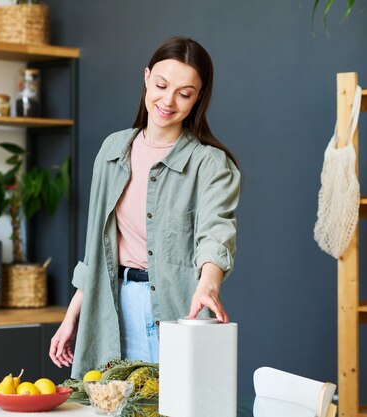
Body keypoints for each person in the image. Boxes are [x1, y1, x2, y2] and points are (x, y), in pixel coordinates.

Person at [49, 36, 241, 379]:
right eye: (161, 85)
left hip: (176, 308)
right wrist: (72, 316)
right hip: (110, 305)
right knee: (108, 404)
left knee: (174, 405)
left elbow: (216, 233)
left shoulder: (210, 164)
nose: (168, 101)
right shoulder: (112, 150)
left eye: (184, 93)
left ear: (199, 97)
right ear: (146, 77)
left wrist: (209, 284)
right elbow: (97, 249)